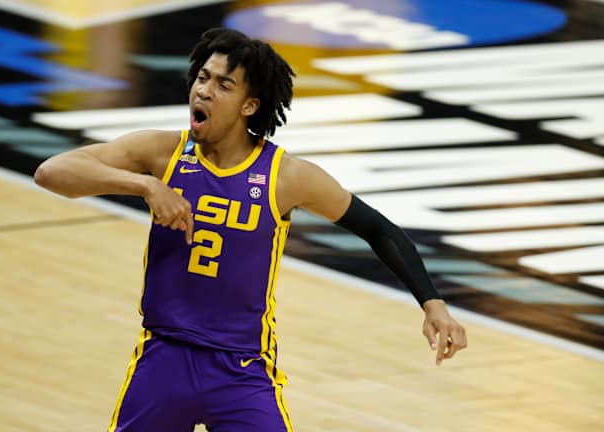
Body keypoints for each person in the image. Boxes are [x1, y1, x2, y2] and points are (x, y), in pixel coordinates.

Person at [34, 27, 467, 432]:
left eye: (224, 85)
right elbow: (52, 172)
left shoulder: (285, 176)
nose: (204, 90)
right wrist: (145, 185)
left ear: (249, 106)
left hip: (241, 372)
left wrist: (433, 304)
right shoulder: (163, 153)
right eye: (203, 77)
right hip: (164, 358)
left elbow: (378, 228)